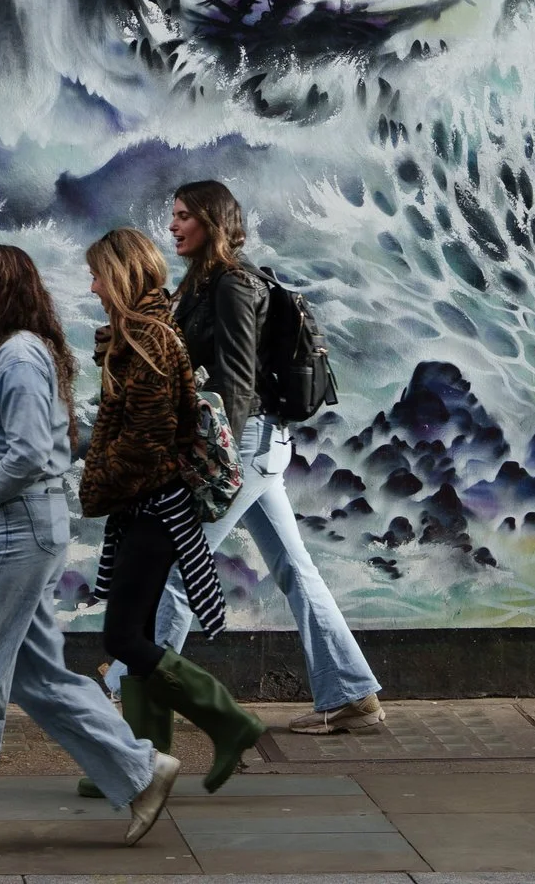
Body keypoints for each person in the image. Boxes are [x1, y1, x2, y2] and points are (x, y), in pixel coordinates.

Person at [0, 245, 181, 858]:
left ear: (10, 290)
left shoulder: (17, 356)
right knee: (35, 673)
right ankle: (140, 772)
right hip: (15, 529)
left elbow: (26, 452)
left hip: (11, 530)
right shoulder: (0, 353)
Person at [146, 180, 386, 736]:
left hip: (244, 443)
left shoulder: (233, 285)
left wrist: (214, 459)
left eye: (185, 216)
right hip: (257, 445)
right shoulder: (206, 285)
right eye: (173, 215)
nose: (174, 226)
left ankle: (136, 691)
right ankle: (353, 693)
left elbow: (235, 380)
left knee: (182, 564)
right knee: (295, 570)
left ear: (212, 221)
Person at [80, 227, 267, 792]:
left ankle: (230, 722)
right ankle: (143, 762)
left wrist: (101, 484)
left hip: (156, 508)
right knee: (134, 633)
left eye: (97, 275)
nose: (91, 286)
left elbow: (151, 440)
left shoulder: (151, 342)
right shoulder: (132, 338)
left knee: (122, 638)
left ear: (120, 276)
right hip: (145, 506)